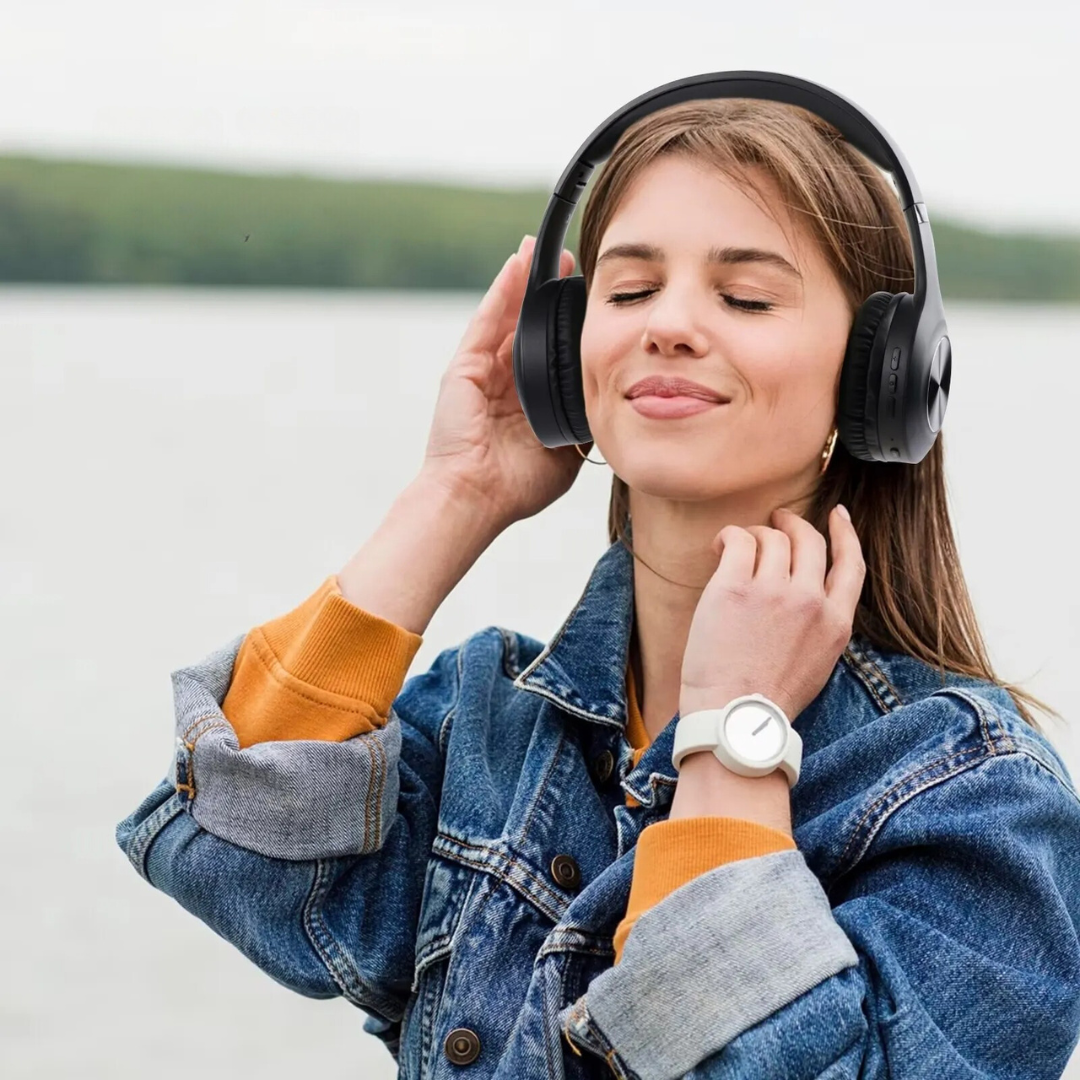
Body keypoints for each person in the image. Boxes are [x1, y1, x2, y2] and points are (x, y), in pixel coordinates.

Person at [115, 98, 1080, 1078]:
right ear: (560, 353)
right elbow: (236, 852)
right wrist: (455, 494)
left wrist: (731, 747)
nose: (668, 325)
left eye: (745, 299)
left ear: (884, 378)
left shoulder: (974, 801)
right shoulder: (484, 719)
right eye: (628, 292)